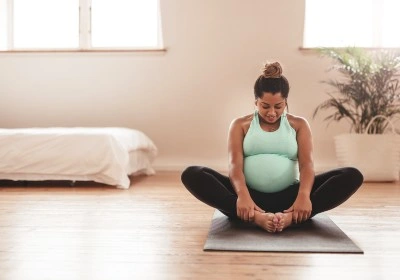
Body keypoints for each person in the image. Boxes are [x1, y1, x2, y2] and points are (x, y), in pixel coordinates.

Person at [181, 61, 364, 233]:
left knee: (351, 175)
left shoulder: (299, 124)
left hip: (290, 198)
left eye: (278, 106)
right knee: (193, 173)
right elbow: (235, 166)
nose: (272, 112)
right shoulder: (240, 125)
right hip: (248, 198)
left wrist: (303, 196)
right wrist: (243, 196)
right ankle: (257, 217)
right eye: (265, 106)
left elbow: (307, 165)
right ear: (256, 102)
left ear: (286, 102)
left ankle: (291, 217)